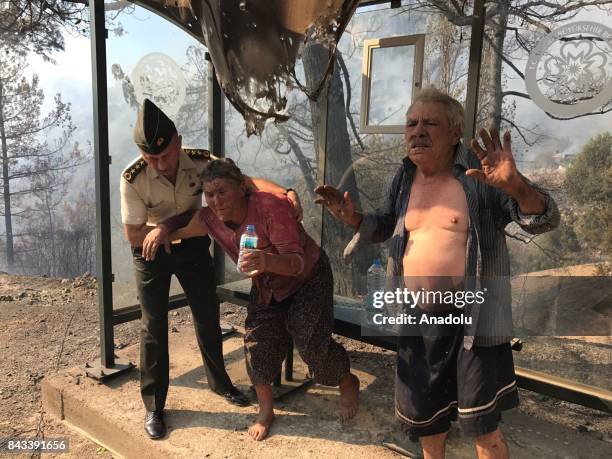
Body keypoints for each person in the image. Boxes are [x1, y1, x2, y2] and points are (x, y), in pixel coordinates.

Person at [314, 87, 559, 459]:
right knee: (428, 425)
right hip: (417, 317)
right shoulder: (404, 177)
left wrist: (516, 186)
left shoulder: (482, 177)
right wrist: (355, 219)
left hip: (473, 321)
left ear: (455, 132)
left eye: (430, 122)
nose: (417, 130)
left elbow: (544, 219)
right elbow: (388, 224)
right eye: (411, 123)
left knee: (483, 429)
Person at [120, 98, 302, 440]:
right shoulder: (132, 177)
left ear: (178, 141)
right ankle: (154, 407)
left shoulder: (202, 160)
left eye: (166, 154)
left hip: (190, 247)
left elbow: (245, 182)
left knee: (206, 314)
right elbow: (133, 232)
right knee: (153, 326)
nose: (160, 164)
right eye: (150, 158)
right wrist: (163, 232)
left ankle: (221, 384)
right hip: (150, 250)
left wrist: (286, 191)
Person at [174, 158, 360, 441]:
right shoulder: (210, 218)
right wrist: (161, 231)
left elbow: (297, 263)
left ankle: (348, 382)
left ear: (241, 188)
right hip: (268, 284)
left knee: (310, 342)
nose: (216, 200)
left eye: (222, 191)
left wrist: (266, 259)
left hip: (307, 277)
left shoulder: (271, 208)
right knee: (256, 342)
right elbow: (182, 228)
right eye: (209, 194)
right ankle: (265, 409)